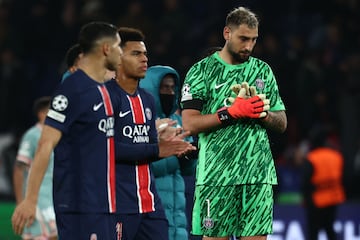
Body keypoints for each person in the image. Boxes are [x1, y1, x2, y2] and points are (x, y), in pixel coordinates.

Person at [180, 6, 287, 240]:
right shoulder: (201, 71)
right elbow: (189, 124)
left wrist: (262, 115)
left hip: (258, 175)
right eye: (243, 39)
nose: (249, 46)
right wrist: (230, 113)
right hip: (217, 177)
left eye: (254, 40)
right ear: (227, 33)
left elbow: (282, 123)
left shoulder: (262, 71)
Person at [12, 21, 122, 239]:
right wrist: (30, 199)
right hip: (79, 204)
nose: (121, 52)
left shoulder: (104, 91)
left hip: (104, 203)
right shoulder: (71, 91)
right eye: (118, 46)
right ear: (106, 49)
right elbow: (45, 145)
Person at [105, 27, 196, 240]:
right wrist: (158, 147)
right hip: (119, 203)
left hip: (151, 204)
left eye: (145, 53)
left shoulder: (146, 100)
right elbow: (106, 148)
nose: (144, 58)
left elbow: (145, 147)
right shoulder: (106, 98)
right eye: (136, 53)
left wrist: (175, 147)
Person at [139, 65, 198, 240]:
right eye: (164, 87)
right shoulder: (141, 121)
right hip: (150, 211)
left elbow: (187, 170)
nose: (170, 92)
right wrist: (162, 147)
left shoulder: (177, 121)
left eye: (173, 88)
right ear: (151, 88)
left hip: (177, 213)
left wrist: (188, 155)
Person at [13, 96, 57, 240]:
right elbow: (19, 169)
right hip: (37, 200)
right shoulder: (32, 135)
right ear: (42, 114)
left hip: (53, 198)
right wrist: (21, 203)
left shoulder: (57, 135)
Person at [301, 126, 346, 240]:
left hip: (316, 202)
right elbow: (344, 178)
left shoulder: (312, 158)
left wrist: (306, 200)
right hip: (333, 200)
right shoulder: (337, 156)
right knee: (330, 230)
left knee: (313, 233)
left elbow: (305, 182)